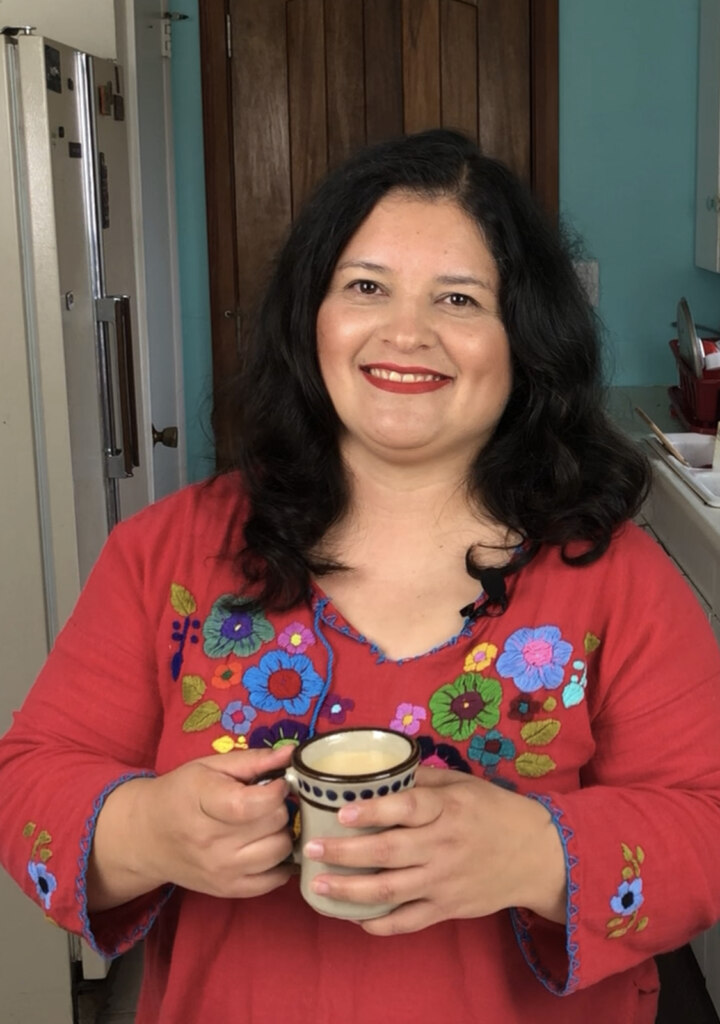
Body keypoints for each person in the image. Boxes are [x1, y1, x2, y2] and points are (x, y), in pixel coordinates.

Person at [1, 128, 720, 1024]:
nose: (406, 332)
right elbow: (32, 780)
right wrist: (146, 830)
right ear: (314, 315)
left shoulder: (614, 579)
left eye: (459, 298)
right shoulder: (167, 554)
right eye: (366, 286)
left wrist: (536, 852)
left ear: (524, 342)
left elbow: (709, 823)